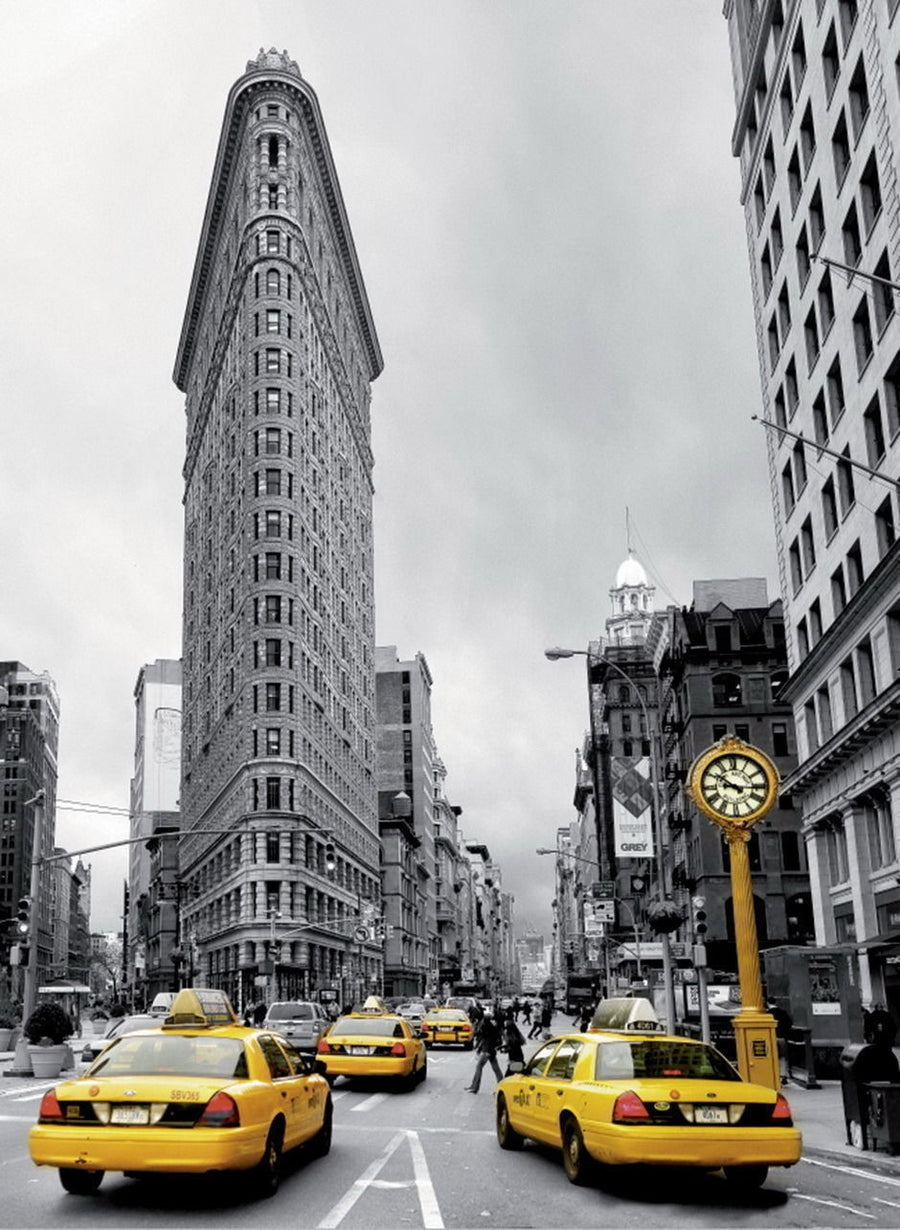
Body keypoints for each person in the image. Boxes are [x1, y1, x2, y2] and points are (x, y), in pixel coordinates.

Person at [465, 1011, 504, 1093]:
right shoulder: (493, 1027)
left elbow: (483, 1039)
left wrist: (481, 1049)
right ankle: (502, 1085)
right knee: (496, 1070)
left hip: (486, 1050)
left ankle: (475, 1087)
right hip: (491, 1051)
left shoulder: (485, 1027)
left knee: (479, 1067)